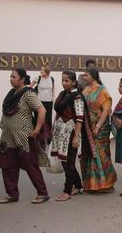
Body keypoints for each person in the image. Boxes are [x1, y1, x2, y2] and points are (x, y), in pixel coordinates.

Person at [0, 68, 49, 204]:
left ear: (22, 79)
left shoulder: (28, 94)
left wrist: (37, 130)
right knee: (8, 166)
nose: (11, 79)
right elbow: (6, 110)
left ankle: (42, 193)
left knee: (30, 165)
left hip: (23, 137)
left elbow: (42, 110)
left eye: (14, 77)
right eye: (10, 76)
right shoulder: (11, 94)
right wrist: (3, 122)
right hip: (8, 137)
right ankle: (12, 194)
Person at [81, 68, 117, 192]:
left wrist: (97, 126)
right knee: (90, 154)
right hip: (87, 126)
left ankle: (106, 183)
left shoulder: (102, 90)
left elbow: (106, 110)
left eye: (86, 75)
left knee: (100, 154)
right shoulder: (86, 89)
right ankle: (92, 184)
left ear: (93, 76)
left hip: (100, 127)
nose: (84, 77)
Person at [51, 71, 84, 202]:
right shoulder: (63, 94)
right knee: (66, 162)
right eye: (63, 80)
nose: (64, 83)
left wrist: (76, 137)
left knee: (68, 162)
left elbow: (80, 118)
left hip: (70, 133)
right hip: (60, 133)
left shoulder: (77, 97)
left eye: (67, 81)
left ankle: (67, 191)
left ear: (74, 82)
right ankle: (79, 185)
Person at [30, 65, 55, 149]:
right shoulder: (38, 78)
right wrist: (34, 95)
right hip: (39, 102)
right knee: (38, 119)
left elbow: (53, 89)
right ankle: (38, 137)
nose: (41, 71)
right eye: (41, 70)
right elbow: (30, 86)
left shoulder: (51, 79)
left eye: (43, 70)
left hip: (49, 102)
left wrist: (53, 98)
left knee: (48, 119)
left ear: (47, 71)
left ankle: (48, 137)